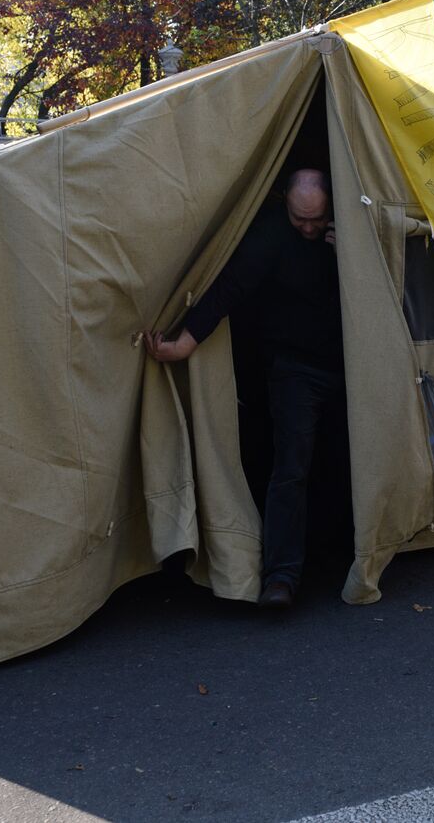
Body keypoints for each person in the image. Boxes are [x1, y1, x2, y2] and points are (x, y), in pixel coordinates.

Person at [144, 169, 342, 609]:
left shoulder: (348, 230)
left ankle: (343, 552)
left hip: (349, 362)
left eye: (316, 219)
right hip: (295, 367)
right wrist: (185, 343)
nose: (309, 228)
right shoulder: (272, 233)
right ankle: (281, 577)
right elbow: (230, 286)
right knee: (291, 466)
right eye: (300, 219)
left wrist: (348, 255)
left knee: (342, 459)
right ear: (285, 204)